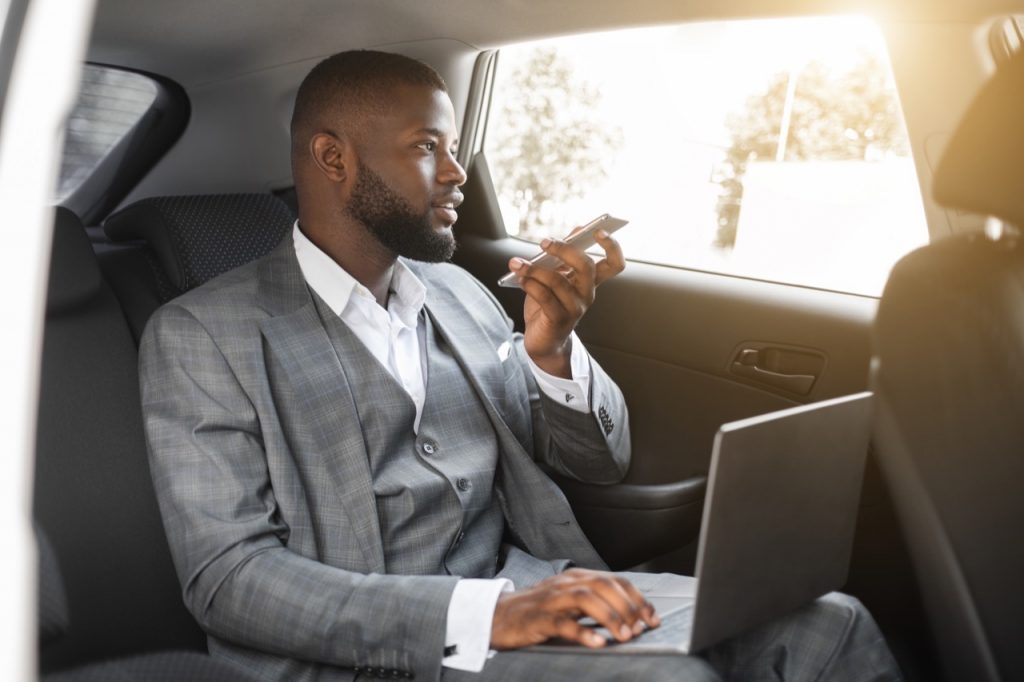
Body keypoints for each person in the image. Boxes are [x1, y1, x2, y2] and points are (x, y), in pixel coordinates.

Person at [139, 50, 902, 682]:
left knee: (828, 623)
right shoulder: (201, 336)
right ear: (334, 158)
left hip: (525, 586)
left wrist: (552, 352)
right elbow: (227, 581)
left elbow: (598, 464)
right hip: (362, 654)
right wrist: (488, 615)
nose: (457, 172)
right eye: (426, 146)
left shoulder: (458, 292)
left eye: (455, 145)